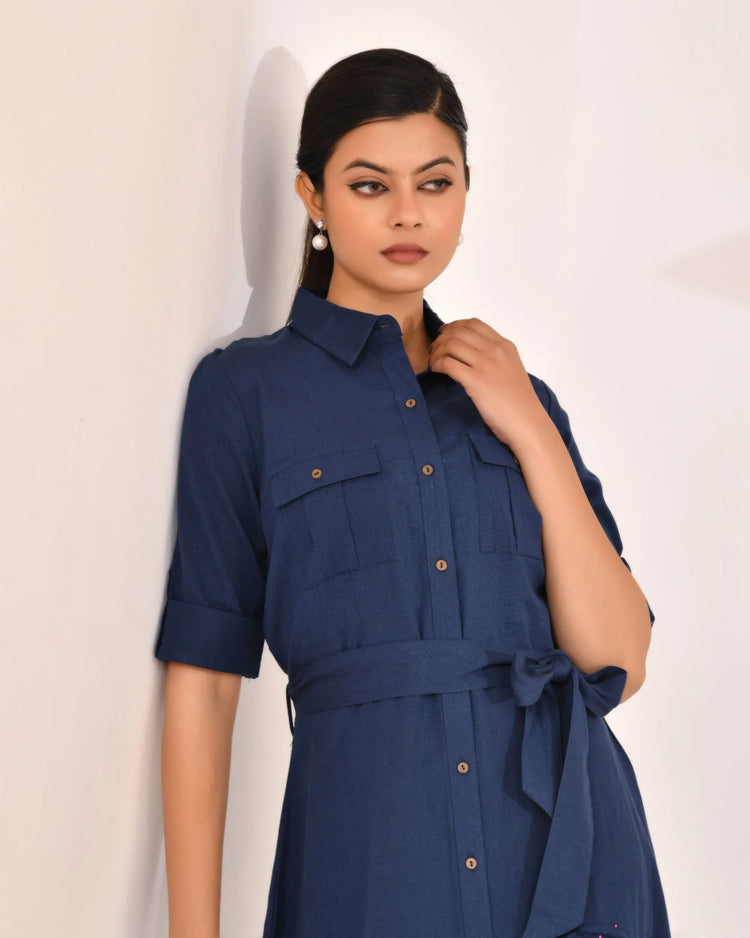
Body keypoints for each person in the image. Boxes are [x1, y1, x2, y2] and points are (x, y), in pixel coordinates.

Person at [154, 47, 671, 938]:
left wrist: (530, 430)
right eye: (369, 185)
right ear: (313, 196)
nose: (408, 213)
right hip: (371, 857)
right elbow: (203, 682)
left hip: (568, 857)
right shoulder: (247, 395)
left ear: (466, 192)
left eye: (435, 183)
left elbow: (618, 661)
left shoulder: (519, 397)